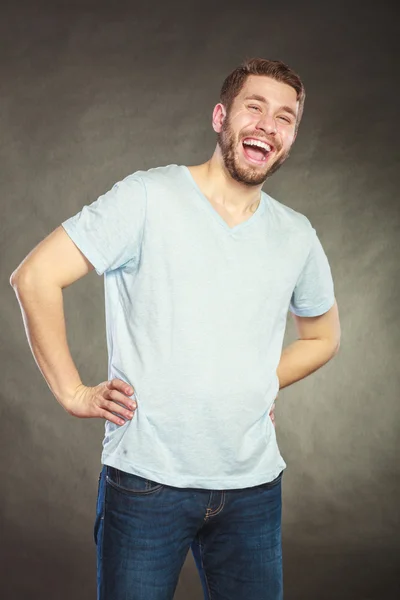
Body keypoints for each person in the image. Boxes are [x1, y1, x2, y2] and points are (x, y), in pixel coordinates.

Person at [10, 58, 341, 600]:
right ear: (220, 117)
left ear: (291, 137)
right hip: (146, 484)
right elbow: (35, 277)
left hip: (253, 488)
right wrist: (73, 392)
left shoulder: (296, 235)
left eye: (284, 117)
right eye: (253, 107)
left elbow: (323, 337)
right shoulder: (148, 198)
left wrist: (263, 380)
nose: (267, 125)